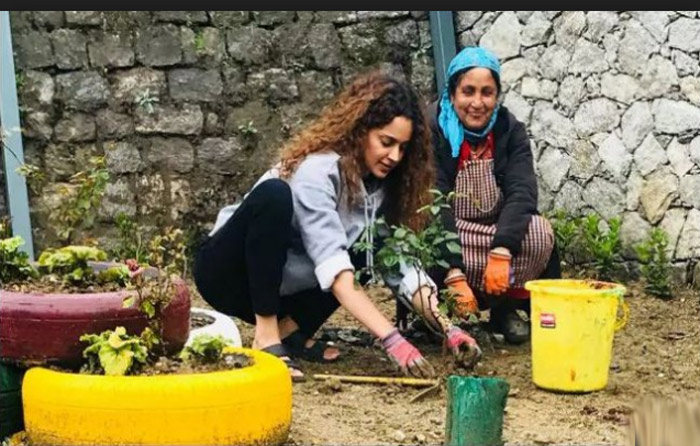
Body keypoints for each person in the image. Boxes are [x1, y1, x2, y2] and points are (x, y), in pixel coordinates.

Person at [193, 72, 480, 381]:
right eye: (386, 142)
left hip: (283, 288)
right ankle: (267, 337)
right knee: (274, 196)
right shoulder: (318, 171)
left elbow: (400, 265)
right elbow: (339, 277)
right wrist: (392, 339)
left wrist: (448, 327)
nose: (395, 156)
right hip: (229, 274)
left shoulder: (381, 189)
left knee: (365, 251)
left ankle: (290, 334)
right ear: (360, 131)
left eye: (403, 148)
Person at [427, 46, 561, 344]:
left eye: (487, 92)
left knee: (539, 234)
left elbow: (522, 193)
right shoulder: (432, 130)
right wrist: (453, 272)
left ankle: (505, 309)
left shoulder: (510, 130)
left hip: (493, 234)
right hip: (452, 232)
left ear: (497, 96)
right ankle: (439, 310)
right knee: (421, 239)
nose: (477, 102)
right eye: (468, 91)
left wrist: (501, 251)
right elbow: (433, 200)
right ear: (452, 94)